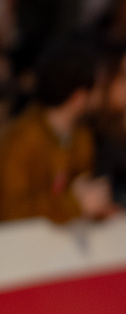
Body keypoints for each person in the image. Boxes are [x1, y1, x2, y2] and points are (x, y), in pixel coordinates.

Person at [0, 39, 113, 223]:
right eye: (97, 87)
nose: (101, 96)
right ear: (78, 97)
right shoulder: (21, 138)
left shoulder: (82, 135)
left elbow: (81, 186)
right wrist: (74, 205)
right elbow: (10, 212)